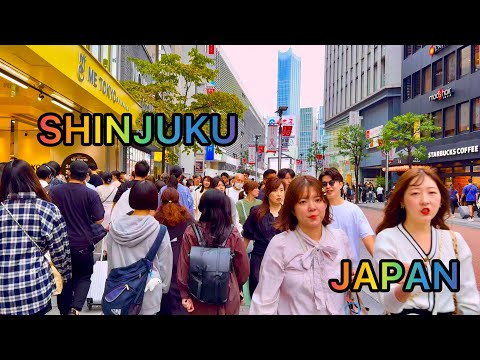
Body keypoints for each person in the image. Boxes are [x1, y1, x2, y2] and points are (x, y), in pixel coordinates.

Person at [374, 168, 480, 315]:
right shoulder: (387, 239)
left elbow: (469, 300)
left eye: (432, 192)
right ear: (401, 200)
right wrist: (407, 286)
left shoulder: (454, 240)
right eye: (415, 193)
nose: (425, 200)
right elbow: (388, 303)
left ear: (441, 199)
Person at [250, 176, 353, 315]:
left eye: (317, 200)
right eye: (303, 202)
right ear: (292, 209)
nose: (312, 207)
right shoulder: (280, 245)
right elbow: (264, 303)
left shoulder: (340, 238)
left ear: (325, 204)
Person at [0, 159, 71, 315]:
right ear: (31, 178)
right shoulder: (47, 209)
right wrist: (64, 276)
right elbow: (60, 252)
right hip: (33, 290)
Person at [177, 189, 249, 315]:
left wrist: (184, 294)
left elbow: (184, 264)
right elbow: (243, 267)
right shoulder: (232, 232)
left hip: (198, 292)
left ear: (202, 207)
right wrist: (237, 285)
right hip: (227, 291)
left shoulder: (191, 231)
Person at [107, 180, 173, 315]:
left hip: (119, 292)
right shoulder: (159, 230)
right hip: (148, 292)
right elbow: (165, 265)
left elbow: (111, 262)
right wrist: (163, 287)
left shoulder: (114, 227)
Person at [49, 160, 104, 315]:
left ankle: (64, 310)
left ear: (69, 173)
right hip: (83, 243)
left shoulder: (55, 192)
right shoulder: (91, 193)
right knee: (84, 276)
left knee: (65, 278)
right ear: (86, 175)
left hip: (60, 243)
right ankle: (76, 307)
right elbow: (99, 219)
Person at [319, 168, 375, 269]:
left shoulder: (354, 210)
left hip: (350, 270)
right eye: (324, 184)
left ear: (341, 184)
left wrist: (383, 264)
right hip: (324, 271)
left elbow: (367, 238)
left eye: (331, 183)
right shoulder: (318, 210)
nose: (328, 186)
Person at [242, 177, 285, 297]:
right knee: (259, 295)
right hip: (259, 259)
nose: (279, 194)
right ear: (267, 192)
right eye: (275, 190)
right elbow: (246, 237)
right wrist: (239, 262)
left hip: (283, 260)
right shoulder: (257, 212)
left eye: (281, 190)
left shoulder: (288, 214)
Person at [155, 187, 194, 315]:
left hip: (161, 256)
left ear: (162, 200)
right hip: (182, 256)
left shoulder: (156, 218)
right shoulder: (187, 217)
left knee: (163, 291)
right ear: (179, 199)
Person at [235, 179, 261, 306]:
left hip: (258, 239)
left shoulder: (261, 203)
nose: (258, 190)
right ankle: (245, 296)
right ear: (249, 190)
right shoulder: (239, 204)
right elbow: (238, 220)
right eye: (256, 188)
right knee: (245, 266)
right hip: (245, 237)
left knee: (256, 271)